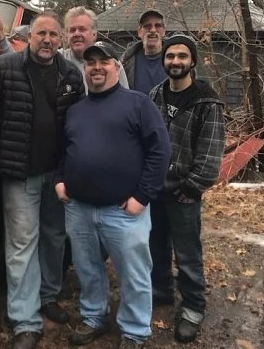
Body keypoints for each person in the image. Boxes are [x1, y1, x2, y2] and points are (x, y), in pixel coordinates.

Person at [0, 11, 85, 349]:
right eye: (42, 34)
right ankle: (26, 320)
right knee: (22, 245)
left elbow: (80, 125)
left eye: (54, 35)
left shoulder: (70, 75)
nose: (48, 40)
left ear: (61, 40)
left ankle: (48, 296)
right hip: (20, 174)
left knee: (54, 239)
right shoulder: (5, 68)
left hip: (57, 176)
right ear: (29, 36)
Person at [54, 41, 171, 349]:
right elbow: (63, 150)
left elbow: (160, 152)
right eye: (90, 62)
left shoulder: (138, 104)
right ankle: (94, 316)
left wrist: (142, 197)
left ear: (116, 67)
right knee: (87, 269)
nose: (96, 67)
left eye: (104, 61)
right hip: (78, 208)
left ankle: (134, 331)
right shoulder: (75, 110)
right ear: (85, 69)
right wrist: (59, 181)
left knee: (133, 274)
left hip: (123, 211)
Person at [148, 34, 225, 343]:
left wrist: (193, 187)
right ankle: (161, 291)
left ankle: (193, 307)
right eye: (170, 56)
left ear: (192, 61)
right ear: (164, 60)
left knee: (188, 254)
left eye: (182, 56)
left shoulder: (207, 100)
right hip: (155, 191)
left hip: (183, 193)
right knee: (156, 247)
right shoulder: (155, 95)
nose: (175, 61)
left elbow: (211, 151)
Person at [0, 6, 129, 91]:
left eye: (82, 29)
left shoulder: (111, 64)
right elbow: (19, 65)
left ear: (94, 34)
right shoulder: (57, 59)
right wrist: (1, 39)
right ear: (65, 35)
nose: (77, 34)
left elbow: (125, 100)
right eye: (72, 30)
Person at [120, 9, 168, 95]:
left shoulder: (177, 59)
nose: (153, 30)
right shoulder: (126, 62)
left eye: (157, 25)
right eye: (147, 26)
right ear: (139, 32)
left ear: (164, 31)